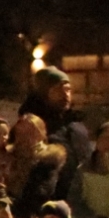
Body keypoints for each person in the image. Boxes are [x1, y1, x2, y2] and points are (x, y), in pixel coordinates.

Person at [18, 67, 91, 201]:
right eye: (58, 89)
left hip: (82, 204)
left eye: (68, 89)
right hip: (51, 207)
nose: (65, 95)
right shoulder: (33, 127)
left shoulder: (77, 126)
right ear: (44, 93)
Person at [5, 114, 66, 218]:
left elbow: (41, 191)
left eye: (30, 132)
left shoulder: (48, 158)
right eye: (21, 132)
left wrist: (21, 214)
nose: (25, 137)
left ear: (41, 133)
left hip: (34, 217)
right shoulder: (7, 155)